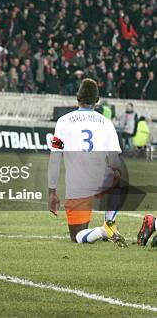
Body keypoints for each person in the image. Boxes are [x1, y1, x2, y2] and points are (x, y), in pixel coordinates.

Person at [48, 79, 127, 247]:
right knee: (117, 181)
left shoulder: (64, 121)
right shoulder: (106, 123)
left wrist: (52, 192)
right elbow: (115, 162)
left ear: (78, 98)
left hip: (77, 185)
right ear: (97, 101)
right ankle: (109, 222)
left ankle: (102, 231)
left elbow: (55, 158)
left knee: (77, 235)